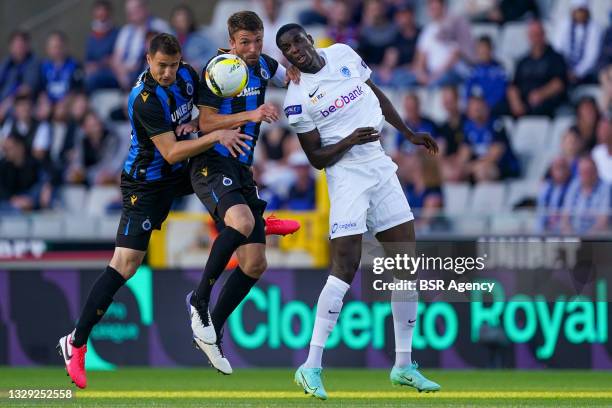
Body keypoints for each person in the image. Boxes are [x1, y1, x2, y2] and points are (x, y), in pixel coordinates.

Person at [57, 33, 251, 389]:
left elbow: (214, 90)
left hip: (180, 172)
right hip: (145, 185)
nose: (167, 72)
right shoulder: (143, 99)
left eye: (173, 65)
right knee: (126, 264)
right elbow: (172, 152)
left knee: (223, 176)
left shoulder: (189, 75)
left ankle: (255, 221)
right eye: (161, 65)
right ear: (148, 60)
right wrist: (213, 136)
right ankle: (76, 342)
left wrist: (203, 125)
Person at [277, 23, 441, 400]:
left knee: (405, 265)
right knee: (346, 265)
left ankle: (403, 365)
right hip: (346, 176)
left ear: (308, 38)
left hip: (380, 167)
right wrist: (349, 140)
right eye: (286, 48)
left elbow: (375, 95)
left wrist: (408, 132)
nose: (293, 50)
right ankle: (311, 365)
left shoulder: (343, 54)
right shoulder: (297, 97)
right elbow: (316, 158)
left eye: (296, 42)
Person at [187, 11, 299, 375]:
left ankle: (212, 332)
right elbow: (205, 122)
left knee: (254, 263)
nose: (252, 49)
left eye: (257, 40)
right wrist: (250, 115)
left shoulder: (265, 66)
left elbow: (294, 77)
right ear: (231, 42)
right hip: (211, 163)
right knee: (242, 220)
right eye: (245, 42)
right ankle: (199, 300)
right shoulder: (218, 70)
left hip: (241, 171)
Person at [506, 20, 567, 118]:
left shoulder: (555, 58)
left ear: (544, 35)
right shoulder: (523, 61)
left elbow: (558, 84)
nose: (535, 39)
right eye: (533, 35)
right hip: (524, 101)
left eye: (538, 34)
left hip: (545, 101)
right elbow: (513, 86)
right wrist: (515, 102)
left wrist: (540, 94)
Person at [552, 0, 602, 86]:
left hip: (586, 74)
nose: (579, 14)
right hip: (564, 71)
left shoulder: (595, 28)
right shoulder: (564, 25)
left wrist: (577, 73)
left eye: (581, 10)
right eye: (577, 10)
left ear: (587, 11)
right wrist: (564, 70)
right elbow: (557, 49)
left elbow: (592, 56)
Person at [561, 156, 610, 235]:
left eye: (589, 171)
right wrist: (570, 234)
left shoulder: (606, 188)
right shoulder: (574, 185)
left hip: (597, 238)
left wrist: (585, 238)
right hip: (573, 236)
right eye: (583, 172)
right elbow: (565, 216)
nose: (586, 175)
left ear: (596, 171)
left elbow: (603, 221)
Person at [84, 0, 120, 92]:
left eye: (104, 11)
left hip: (112, 74)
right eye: (98, 11)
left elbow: (116, 58)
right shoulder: (91, 37)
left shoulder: (117, 34)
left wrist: (101, 64)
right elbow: (88, 60)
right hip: (94, 75)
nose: (101, 15)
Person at [40, 31, 84, 103]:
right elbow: (41, 90)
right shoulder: (43, 67)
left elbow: (78, 90)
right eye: (53, 47)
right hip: (49, 106)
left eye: (59, 46)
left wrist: (65, 102)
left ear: (65, 47)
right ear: (48, 49)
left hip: (69, 104)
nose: (57, 50)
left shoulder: (75, 65)